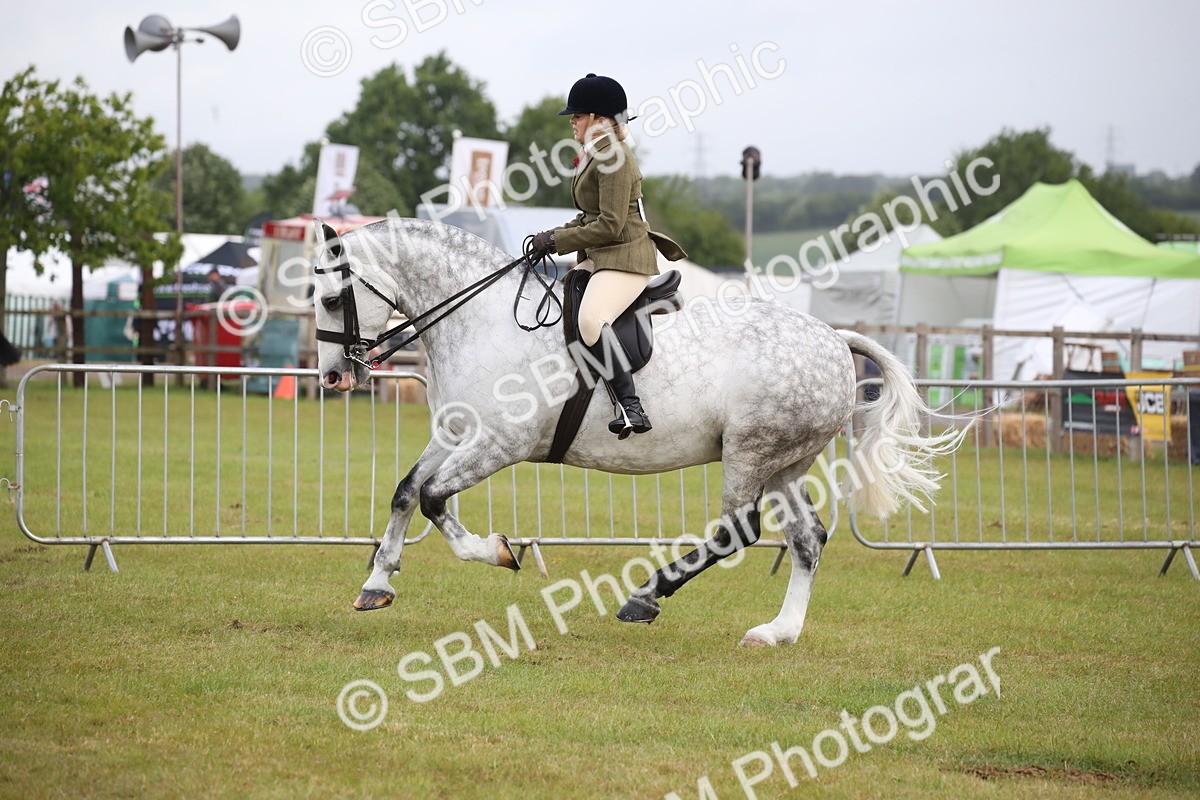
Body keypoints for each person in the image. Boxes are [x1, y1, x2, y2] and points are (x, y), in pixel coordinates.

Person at [531, 73, 686, 437]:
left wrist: (558, 242)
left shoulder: (613, 157)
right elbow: (589, 217)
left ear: (600, 120)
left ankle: (631, 407)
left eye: (579, 115)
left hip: (625, 255)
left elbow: (611, 226)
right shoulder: (596, 153)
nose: (572, 121)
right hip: (603, 254)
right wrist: (550, 236)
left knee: (591, 320)